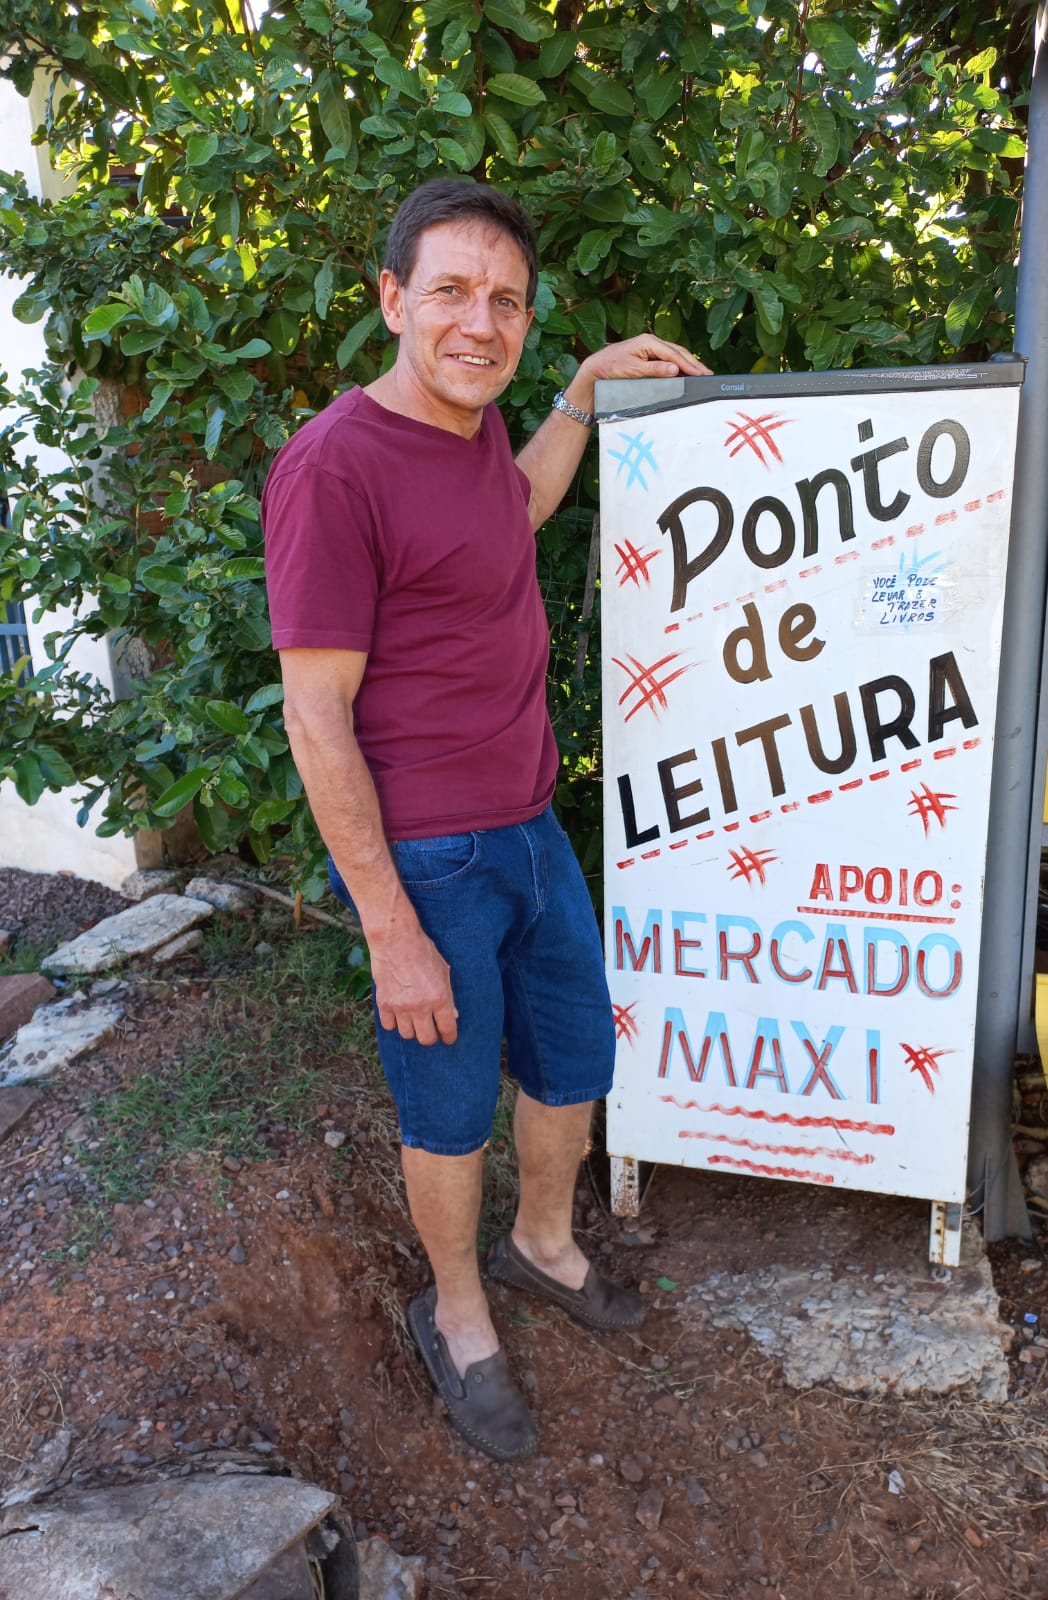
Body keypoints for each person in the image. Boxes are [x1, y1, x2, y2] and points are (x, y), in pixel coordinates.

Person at [262, 178, 710, 1462]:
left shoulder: (473, 430)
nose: (480, 320)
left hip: (528, 828)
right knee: (448, 1106)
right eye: (451, 291)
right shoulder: (333, 465)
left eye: (505, 300)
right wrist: (390, 927)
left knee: (572, 1061)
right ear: (393, 300)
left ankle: (542, 1244)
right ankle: (458, 1313)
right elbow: (314, 715)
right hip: (431, 862)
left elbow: (509, 514)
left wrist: (574, 392)